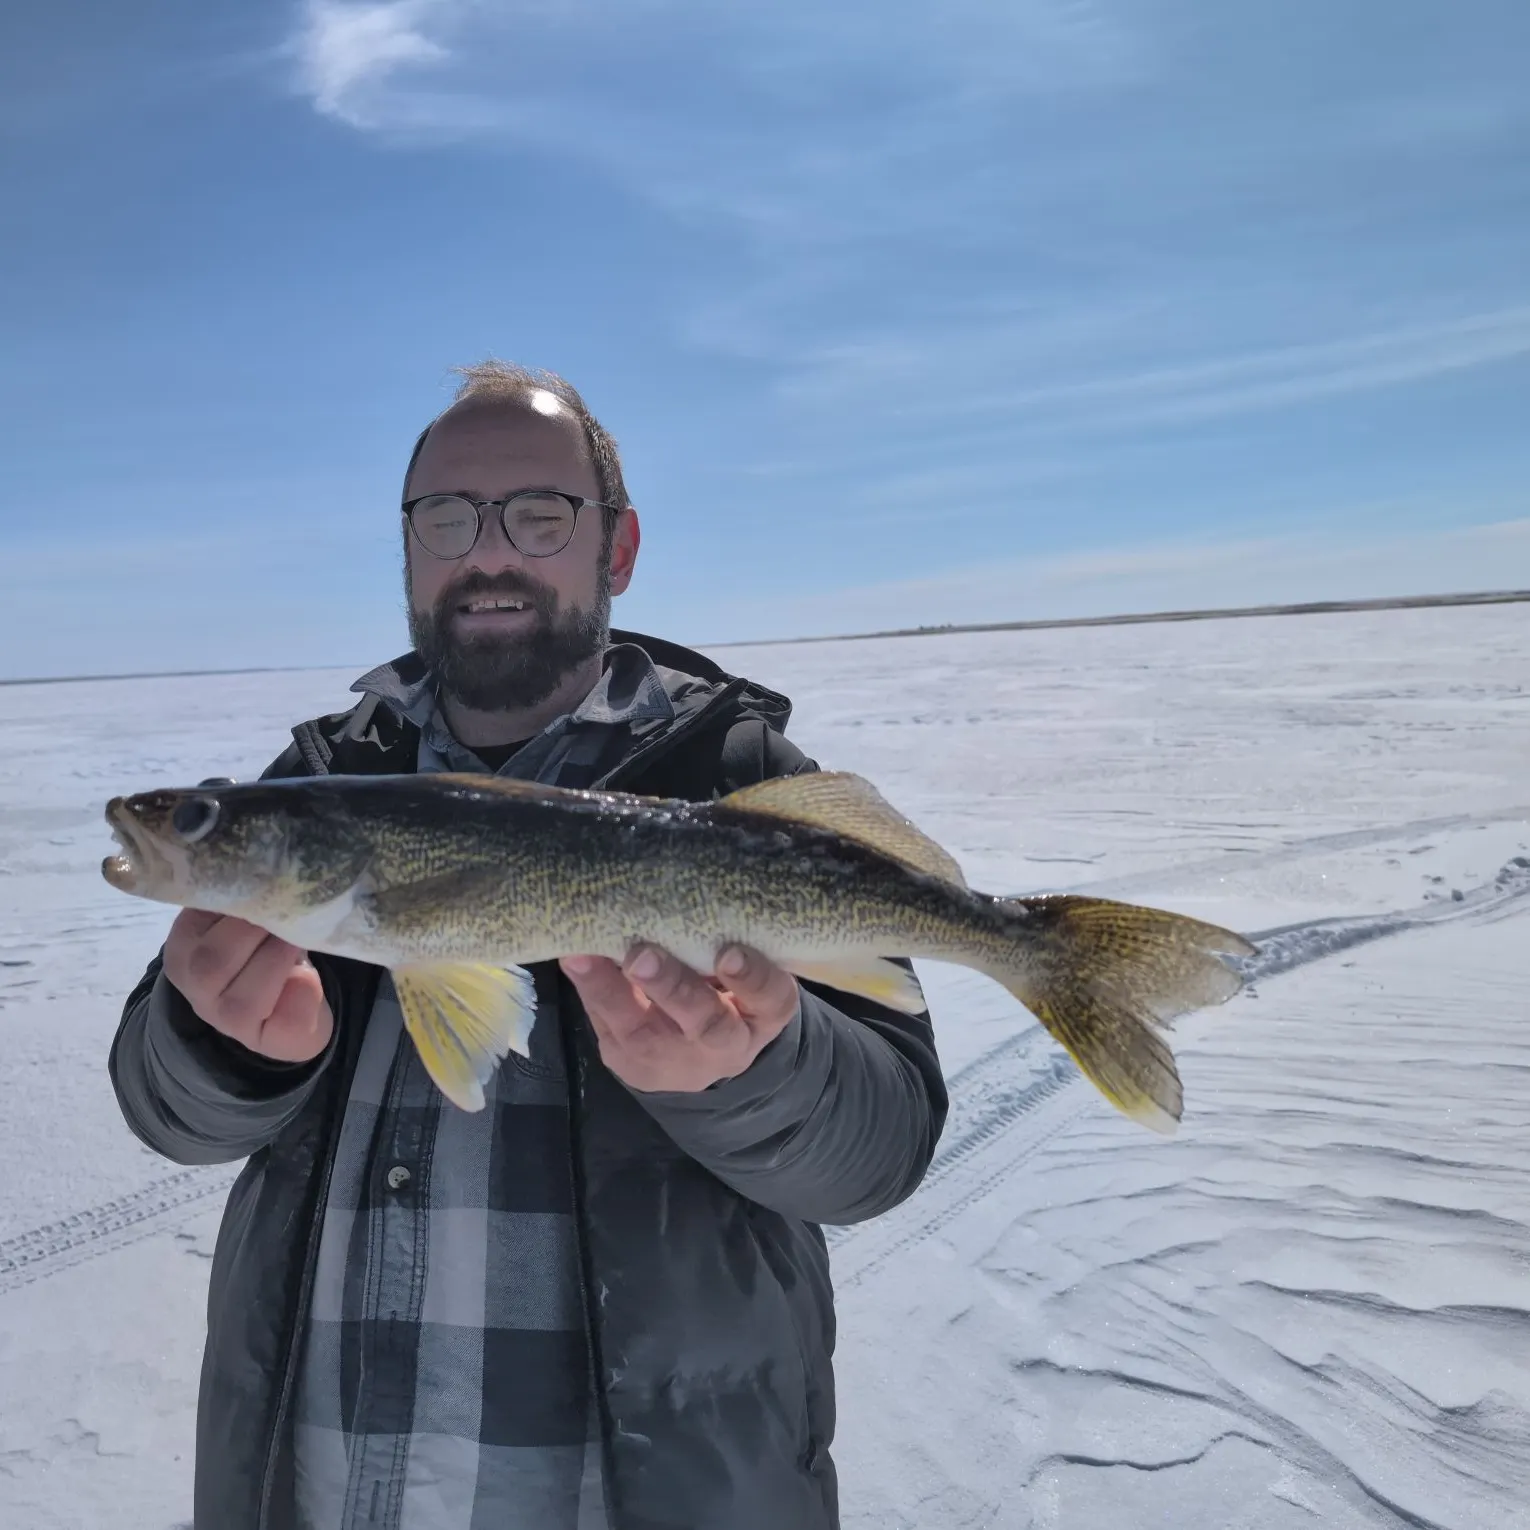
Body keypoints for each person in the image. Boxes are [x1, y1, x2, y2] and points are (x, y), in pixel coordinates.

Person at [110, 361, 948, 1530]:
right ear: (408, 550)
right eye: (446, 516)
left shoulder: (744, 784)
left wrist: (755, 1073)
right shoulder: (308, 791)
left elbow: (883, 1148)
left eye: (539, 513)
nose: (486, 550)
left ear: (618, 547)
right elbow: (162, 1112)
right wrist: (222, 1052)